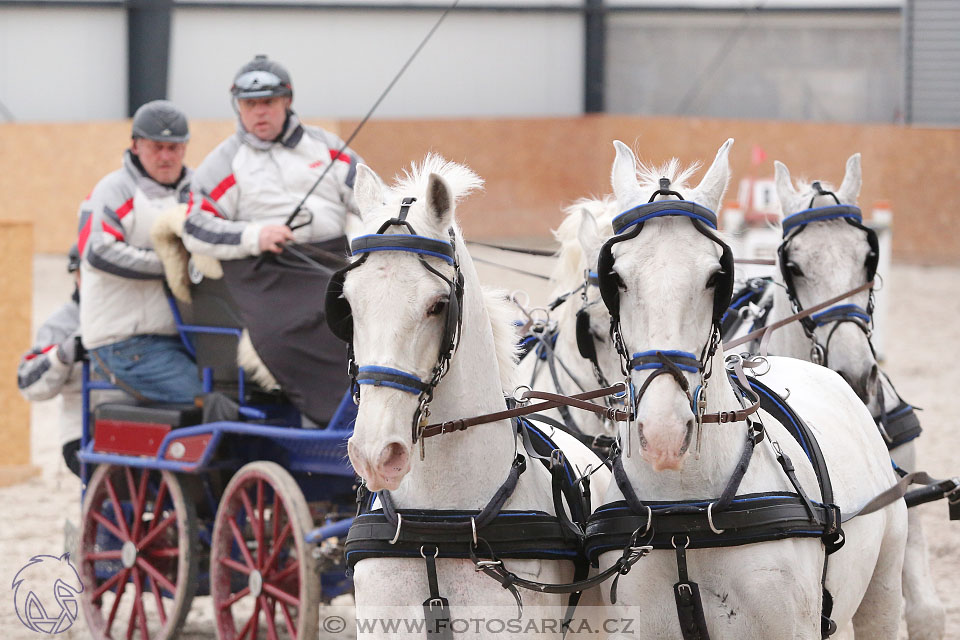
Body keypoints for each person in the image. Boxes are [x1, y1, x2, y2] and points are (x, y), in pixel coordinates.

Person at [182, 54, 362, 424]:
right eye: (250, 105)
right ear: (238, 108)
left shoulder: (325, 146)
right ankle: (335, 418)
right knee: (311, 325)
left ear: (287, 101)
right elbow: (195, 226)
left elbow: (369, 195)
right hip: (267, 273)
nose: (259, 113)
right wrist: (255, 235)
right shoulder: (225, 162)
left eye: (268, 102)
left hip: (332, 259)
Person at [78, 100, 202, 404]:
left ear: (185, 147)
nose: (165, 156)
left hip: (182, 336)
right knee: (207, 397)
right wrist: (171, 267)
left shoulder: (197, 189)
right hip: (123, 342)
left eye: (173, 148)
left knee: (244, 392)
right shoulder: (113, 191)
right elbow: (97, 252)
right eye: (155, 147)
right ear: (135, 145)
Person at [16, 247, 122, 476]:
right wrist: (62, 355)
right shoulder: (61, 324)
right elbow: (28, 383)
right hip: (83, 432)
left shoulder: (133, 315)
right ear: (77, 277)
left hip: (135, 423)